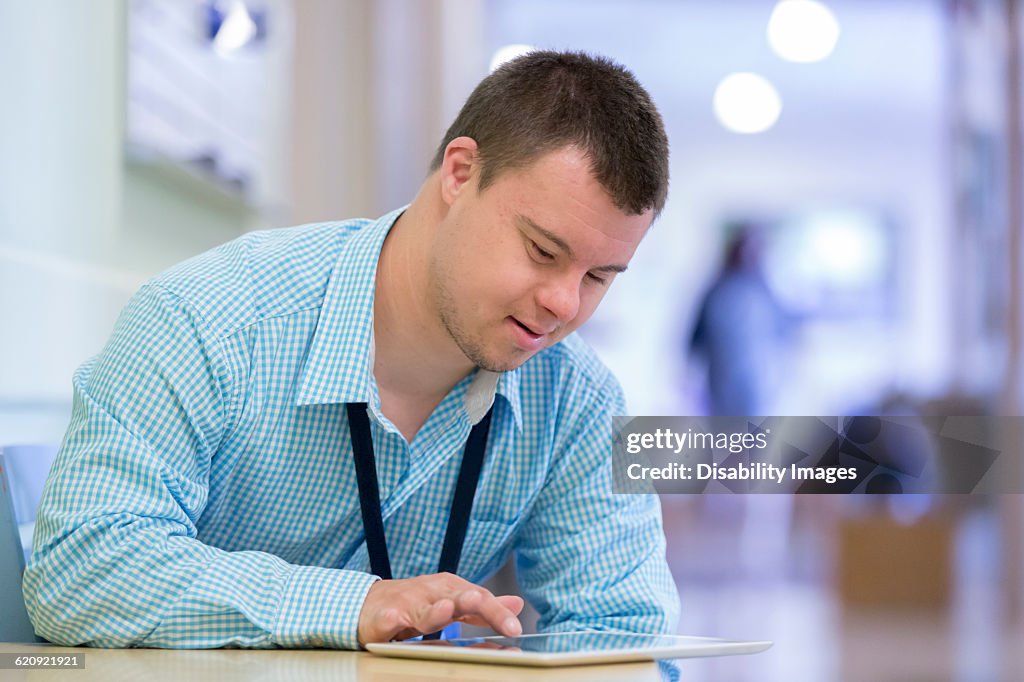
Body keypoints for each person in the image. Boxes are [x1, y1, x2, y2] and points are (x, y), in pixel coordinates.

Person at [23, 50, 680, 650]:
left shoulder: (579, 398)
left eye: (599, 277)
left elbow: (625, 631)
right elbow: (83, 569)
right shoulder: (214, 317)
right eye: (543, 251)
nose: (565, 305)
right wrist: (353, 605)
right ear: (460, 172)